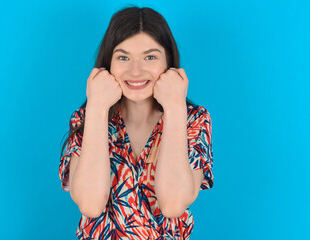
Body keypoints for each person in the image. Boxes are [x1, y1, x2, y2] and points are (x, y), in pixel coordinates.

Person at [58, 6, 213, 239]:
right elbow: (90, 205)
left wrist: (174, 106)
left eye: (150, 57)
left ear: (168, 61)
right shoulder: (86, 119)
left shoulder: (194, 120)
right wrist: (98, 106)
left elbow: (173, 205)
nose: (136, 70)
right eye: (123, 57)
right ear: (108, 63)